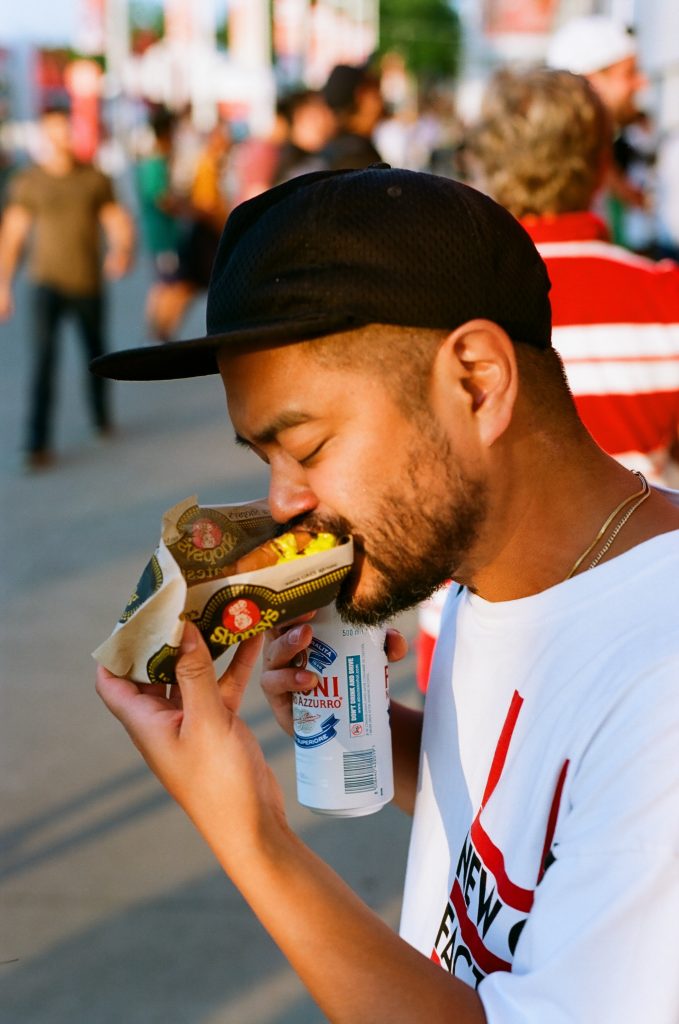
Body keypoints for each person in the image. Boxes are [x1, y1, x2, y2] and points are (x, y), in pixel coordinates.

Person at [91, 165, 679, 1022]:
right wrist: (382, 737)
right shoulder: (497, 571)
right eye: (265, 459)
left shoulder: (661, 689)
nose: (282, 503)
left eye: (307, 446)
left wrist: (247, 832)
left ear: (476, 381)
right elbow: (530, 832)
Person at [416, 66, 679, 691]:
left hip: (474, 631)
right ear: (600, 164)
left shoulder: (436, 312)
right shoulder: (665, 301)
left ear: (485, 161)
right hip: (637, 623)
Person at [0, 105, 134, 470]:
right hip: (45, 283)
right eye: (52, 129)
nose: (59, 136)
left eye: (64, 128)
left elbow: (115, 219)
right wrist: (4, 284)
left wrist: (122, 250)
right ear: (43, 134)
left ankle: (101, 418)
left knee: (95, 355)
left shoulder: (93, 177)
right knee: (43, 360)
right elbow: (13, 233)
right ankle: (37, 442)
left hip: (87, 282)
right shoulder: (28, 181)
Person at [546, 14, 650, 246]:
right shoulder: (560, 171)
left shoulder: (592, 155)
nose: (642, 83)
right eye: (629, 73)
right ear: (590, 82)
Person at [319, 62, 384, 170]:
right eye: (374, 89)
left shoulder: (335, 151)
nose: (381, 97)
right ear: (360, 97)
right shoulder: (357, 160)